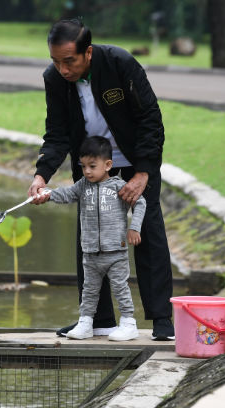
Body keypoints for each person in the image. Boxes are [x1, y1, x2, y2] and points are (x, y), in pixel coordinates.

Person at [28, 18, 175, 340]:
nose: (63, 69)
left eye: (70, 61)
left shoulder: (119, 63)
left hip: (135, 165)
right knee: (91, 239)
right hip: (93, 169)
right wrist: (42, 175)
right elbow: (57, 133)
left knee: (147, 234)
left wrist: (143, 172)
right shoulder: (55, 78)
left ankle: (162, 319)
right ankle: (99, 319)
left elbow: (150, 117)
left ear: (88, 53)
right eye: (56, 61)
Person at [38, 136, 145, 341]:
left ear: (108, 165)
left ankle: (129, 323)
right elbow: (66, 194)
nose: (87, 171)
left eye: (92, 166)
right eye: (83, 166)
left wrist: (134, 228)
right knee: (89, 291)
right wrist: (48, 195)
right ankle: (86, 323)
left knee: (121, 288)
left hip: (116, 251)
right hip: (90, 253)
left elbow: (140, 203)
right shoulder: (82, 186)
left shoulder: (118, 186)